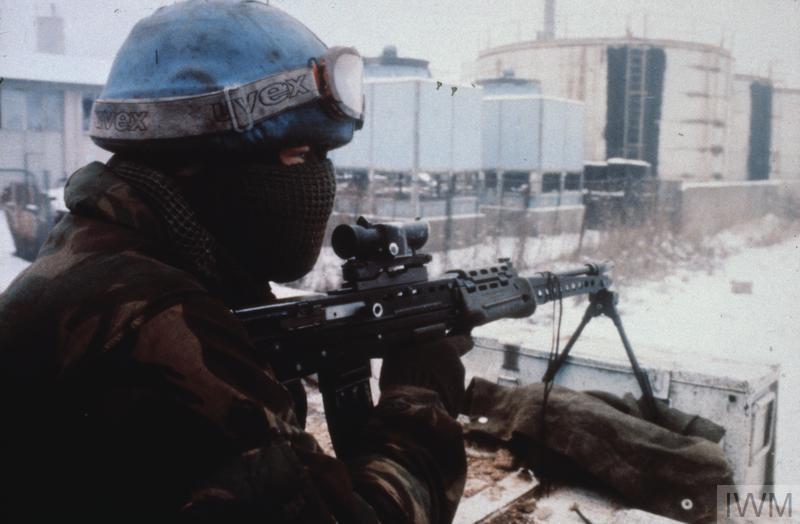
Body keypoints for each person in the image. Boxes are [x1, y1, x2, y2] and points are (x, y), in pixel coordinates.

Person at [0, 1, 468, 521]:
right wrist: (422, 400)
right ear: (198, 160)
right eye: (299, 157)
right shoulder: (161, 323)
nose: (320, 182)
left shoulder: (91, 257)